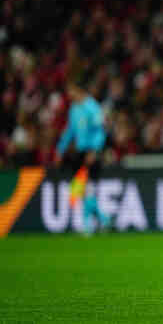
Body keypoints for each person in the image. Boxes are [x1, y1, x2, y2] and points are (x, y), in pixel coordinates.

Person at [55, 79, 110, 235]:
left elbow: (100, 131)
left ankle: (87, 225)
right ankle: (103, 217)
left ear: (79, 90)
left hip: (91, 152)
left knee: (83, 188)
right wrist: (60, 149)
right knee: (79, 188)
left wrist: (94, 150)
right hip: (79, 153)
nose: (68, 94)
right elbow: (70, 131)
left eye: (71, 90)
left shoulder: (92, 107)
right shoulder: (74, 108)